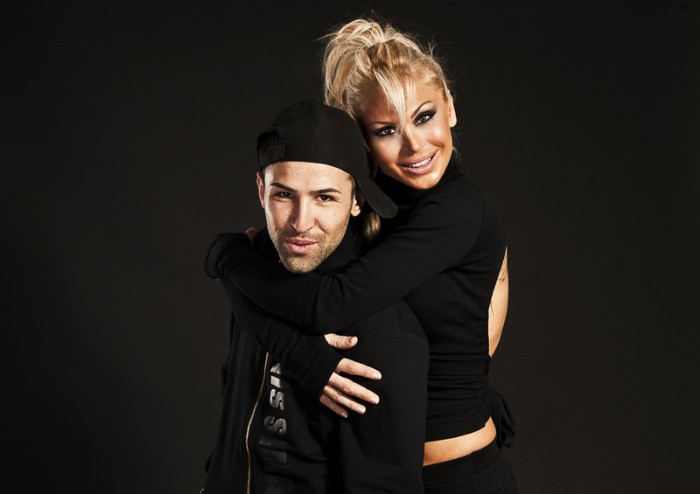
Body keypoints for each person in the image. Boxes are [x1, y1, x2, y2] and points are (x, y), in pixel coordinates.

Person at [207, 18, 518, 493]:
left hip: (456, 476)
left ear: (450, 107)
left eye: (424, 116)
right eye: (386, 129)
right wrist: (229, 258)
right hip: (373, 468)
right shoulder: (367, 208)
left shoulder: (460, 211)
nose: (414, 145)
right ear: (364, 142)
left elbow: (327, 303)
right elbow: (279, 291)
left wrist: (229, 262)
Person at [202, 98, 429, 493]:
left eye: (325, 197)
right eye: (283, 195)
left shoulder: (384, 335)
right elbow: (235, 416)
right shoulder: (253, 282)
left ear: (357, 201)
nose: (300, 222)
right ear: (261, 190)